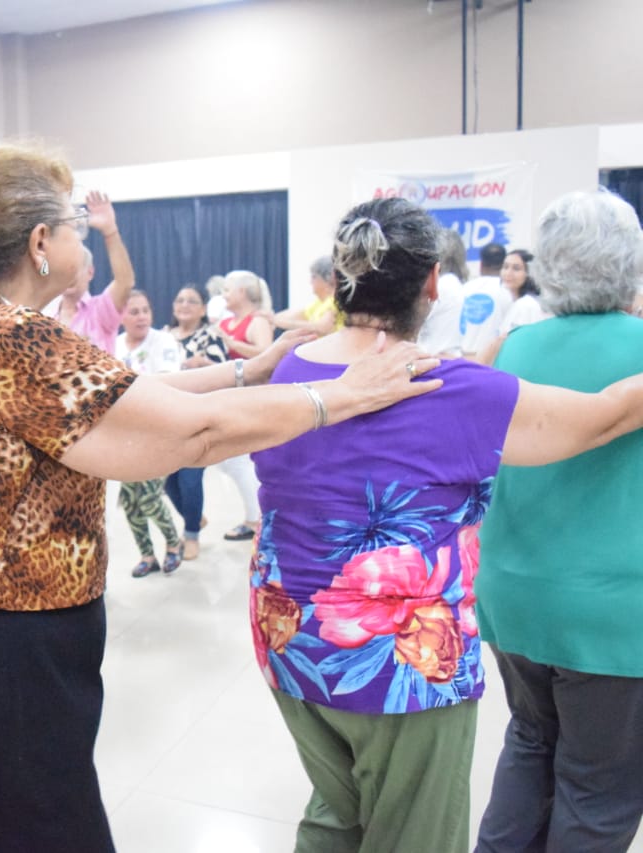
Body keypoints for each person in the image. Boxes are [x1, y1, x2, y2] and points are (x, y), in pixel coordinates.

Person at [0, 141, 443, 853]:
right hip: (0, 642)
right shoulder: (11, 338)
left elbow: (132, 398)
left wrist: (252, 375)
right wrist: (333, 396)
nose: (78, 237)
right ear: (38, 244)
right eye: (71, 226)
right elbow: (191, 436)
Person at [247, 196, 643, 853]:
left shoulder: (295, 367)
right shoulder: (445, 386)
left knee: (339, 811)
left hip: (290, 641)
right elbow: (600, 417)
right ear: (433, 282)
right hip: (397, 662)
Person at [474, 191, 643, 853]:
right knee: (598, 786)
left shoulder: (511, 347)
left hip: (516, 600)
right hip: (614, 618)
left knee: (530, 742)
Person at [115, 290, 184, 577]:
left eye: (145, 310)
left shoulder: (164, 341)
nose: (142, 316)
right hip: (125, 436)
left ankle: (173, 543)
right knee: (130, 502)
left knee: (150, 498)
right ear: (121, 316)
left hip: (160, 432)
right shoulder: (115, 344)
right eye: (134, 311)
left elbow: (168, 381)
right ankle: (147, 555)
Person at [163, 284, 226, 558]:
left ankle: (191, 535)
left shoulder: (211, 335)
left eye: (192, 301)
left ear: (203, 308)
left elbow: (226, 373)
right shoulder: (163, 336)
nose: (184, 305)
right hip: (164, 417)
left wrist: (202, 365)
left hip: (198, 417)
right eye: (179, 299)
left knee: (190, 479)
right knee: (168, 483)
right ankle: (195, 517)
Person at [215, 270, 275, 542]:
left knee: (239, 461)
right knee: (230, 462)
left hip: (250, 397)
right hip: (229, 396)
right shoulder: (226, 322)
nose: (224, 295)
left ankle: (255, 520)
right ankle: (256, 517)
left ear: (242, 292)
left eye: (228, 289)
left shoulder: (257, 321)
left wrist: (232, 343)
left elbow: (266, 354)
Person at [46, 190, 134, 353]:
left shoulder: (100, 311)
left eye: (76, 268)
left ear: (90, 272)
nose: (70, 274)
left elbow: (125, 282)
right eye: (65, 268)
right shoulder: (47, 318)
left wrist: (110, 232)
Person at [417, 227, 467, 357]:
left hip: (431, 361)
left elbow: (412, 320)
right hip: (446, 358)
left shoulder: (443, 286)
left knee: (405, 369)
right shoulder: (455, 284)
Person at [459, 241, 512, 359]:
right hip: (492, 361)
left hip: (462, 360)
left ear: (481, 265)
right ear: (504, 265)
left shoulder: (464, 289)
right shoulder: (508, 291)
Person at [273, 257, 342, 336]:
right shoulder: (319, 303)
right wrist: (272, 318)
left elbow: (323, 328)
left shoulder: (334, 302)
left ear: (328, 278)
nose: (310, 282)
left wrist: (280, 322)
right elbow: (295, 315)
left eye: (314, 277)